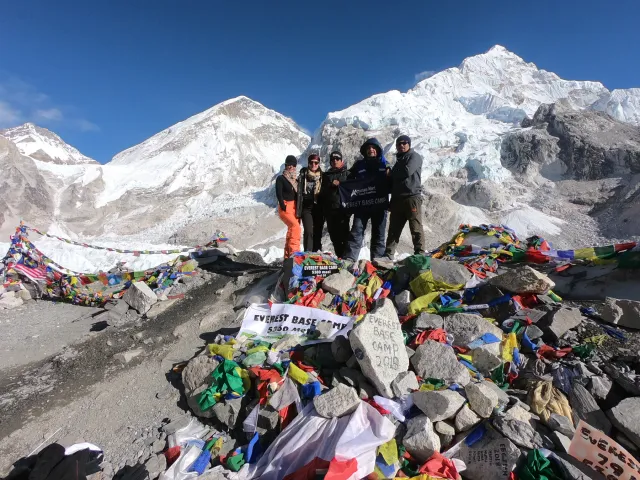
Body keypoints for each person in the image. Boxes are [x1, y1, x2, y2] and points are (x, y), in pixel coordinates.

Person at [343, 138, 390, 261]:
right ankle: (350, 259)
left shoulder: (385, 164)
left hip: (379, 205)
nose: (371, 150)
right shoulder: (358, 165)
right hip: (361, 205)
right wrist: (339, 181)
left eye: (373, 148)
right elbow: (348, 179)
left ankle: (377, 261)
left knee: (379, 234)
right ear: (365, 151)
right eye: (368, 148)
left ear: (378, 150)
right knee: (356, 232)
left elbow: (392, 181)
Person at [384, 135, 426, 257]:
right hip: (397, 199)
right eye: (399, 144)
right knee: (393, 230)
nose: (401, 145)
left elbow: (407, 171)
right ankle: (388, 254)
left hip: (412, 197)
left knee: (415, 227)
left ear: (409, 144)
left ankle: (420, 254)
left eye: (404, 143)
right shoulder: (399, 160)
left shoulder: (414, 156)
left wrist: (390, 173)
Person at [319, 150, 350, 258]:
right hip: (330, 211)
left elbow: (354, 189)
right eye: (332, 159)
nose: (335, 161)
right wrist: (330, 186)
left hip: (343, 211)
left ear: (341, 161)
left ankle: (347, 259)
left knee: (345, 236)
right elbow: (320, 192)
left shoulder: (348, 174)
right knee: (334, 237)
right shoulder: (325, 176)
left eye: (337, 159)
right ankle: (340, 258)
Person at [296, 153, 323, 252]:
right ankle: (308, 253)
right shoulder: (303, 175)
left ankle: (317, 252)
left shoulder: (322, 177)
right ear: (308, 163)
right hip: (306, 207)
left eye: (316, 163)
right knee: (308, 231)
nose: (313, 165)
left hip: (318, 207)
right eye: (311, 162)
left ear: (319, 164)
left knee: (317, 231)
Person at [275, 155, 301, 258]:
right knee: (296, 227)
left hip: (295, 208)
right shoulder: (281, 178)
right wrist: (283, 204)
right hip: (286, 206)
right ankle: (295, 255)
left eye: (293, 165)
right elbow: (278, 193)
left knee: (292, 230)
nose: (291, 167)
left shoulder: (296, 180)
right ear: (286, 165)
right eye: (289, 164)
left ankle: (288, 257)